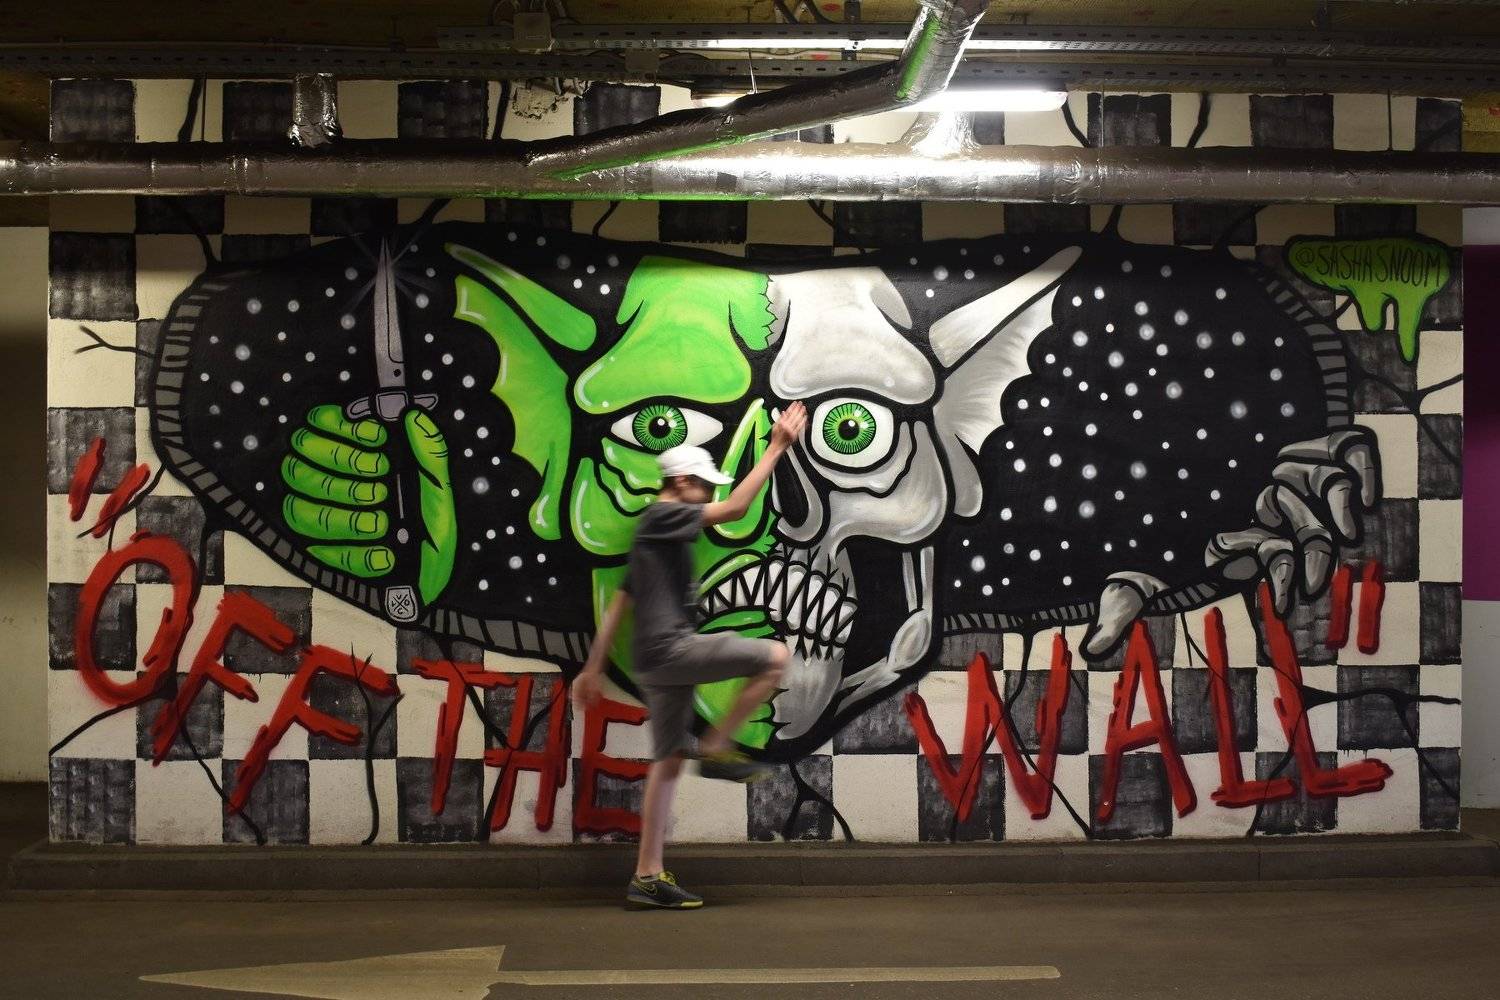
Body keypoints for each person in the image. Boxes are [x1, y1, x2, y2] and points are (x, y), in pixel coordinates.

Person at [573, 400, 808, 909]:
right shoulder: (664, 514)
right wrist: (776, 447)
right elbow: (735, 509)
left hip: (653, 660)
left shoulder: (653, 532)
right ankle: (718, 747)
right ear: (681, 482)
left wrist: (593, 667)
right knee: (774, 657)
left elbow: (620, 603)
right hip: (671, 650)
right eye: (703, 485)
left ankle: (646, 876)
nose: (707, 494)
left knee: (668, 761)